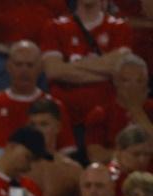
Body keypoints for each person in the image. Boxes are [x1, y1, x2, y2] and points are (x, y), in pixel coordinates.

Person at [0, 40, 76, 172]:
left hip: (40, 184)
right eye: (19, 64)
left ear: (40, 68)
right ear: (8, 66)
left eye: (30, 65)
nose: (24, 70)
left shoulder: (55, 106)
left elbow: (67, 155)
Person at [40, 0, 133, 133]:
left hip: (106, 120)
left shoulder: (120, 27)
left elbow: (120, 69)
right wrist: (104, 69)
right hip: (66, 120)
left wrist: (70, 67)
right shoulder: (54, 27)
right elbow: (54, 71)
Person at [85, 54, 153, 164]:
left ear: (147, 84)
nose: (133, 87)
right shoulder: (100, 114)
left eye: (139, 81)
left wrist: (137, 111)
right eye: (126, 81)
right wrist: (128, 155)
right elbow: (95, 156)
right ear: (116, 82)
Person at [26, 99, 82, 196]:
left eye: (44, 124)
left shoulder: (73, 171)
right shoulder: (17, 169)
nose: (37, 131)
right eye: (33, 125)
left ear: (57, 127)